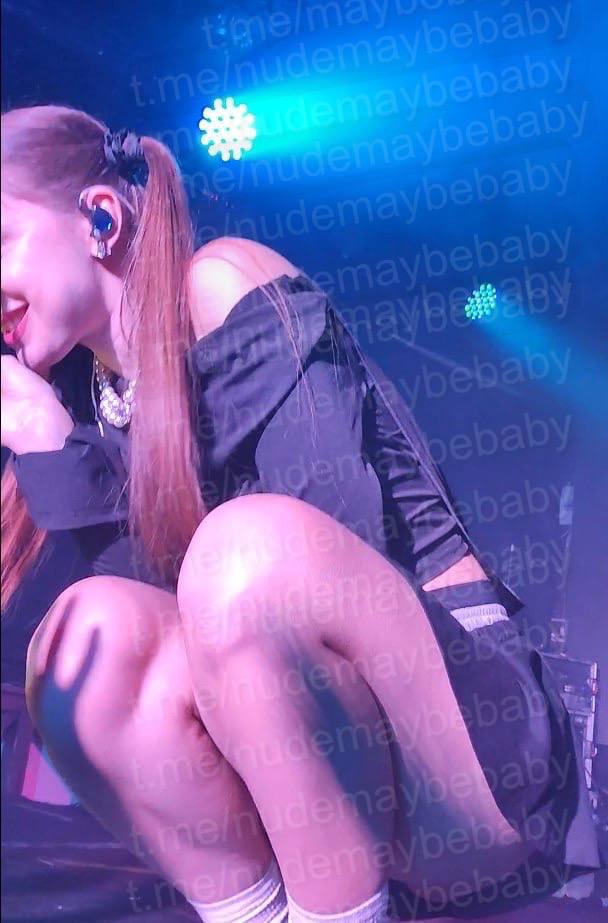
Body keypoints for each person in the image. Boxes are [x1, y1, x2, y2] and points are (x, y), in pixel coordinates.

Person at [0, 104, 602, 923]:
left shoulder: (220, 283)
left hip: (466, 750)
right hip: (311, 782)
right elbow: (163, 635)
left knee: (241, 553)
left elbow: (321, 559)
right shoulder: (88, 402)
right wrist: (48, 442)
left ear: (100, 216)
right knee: (86, 631)